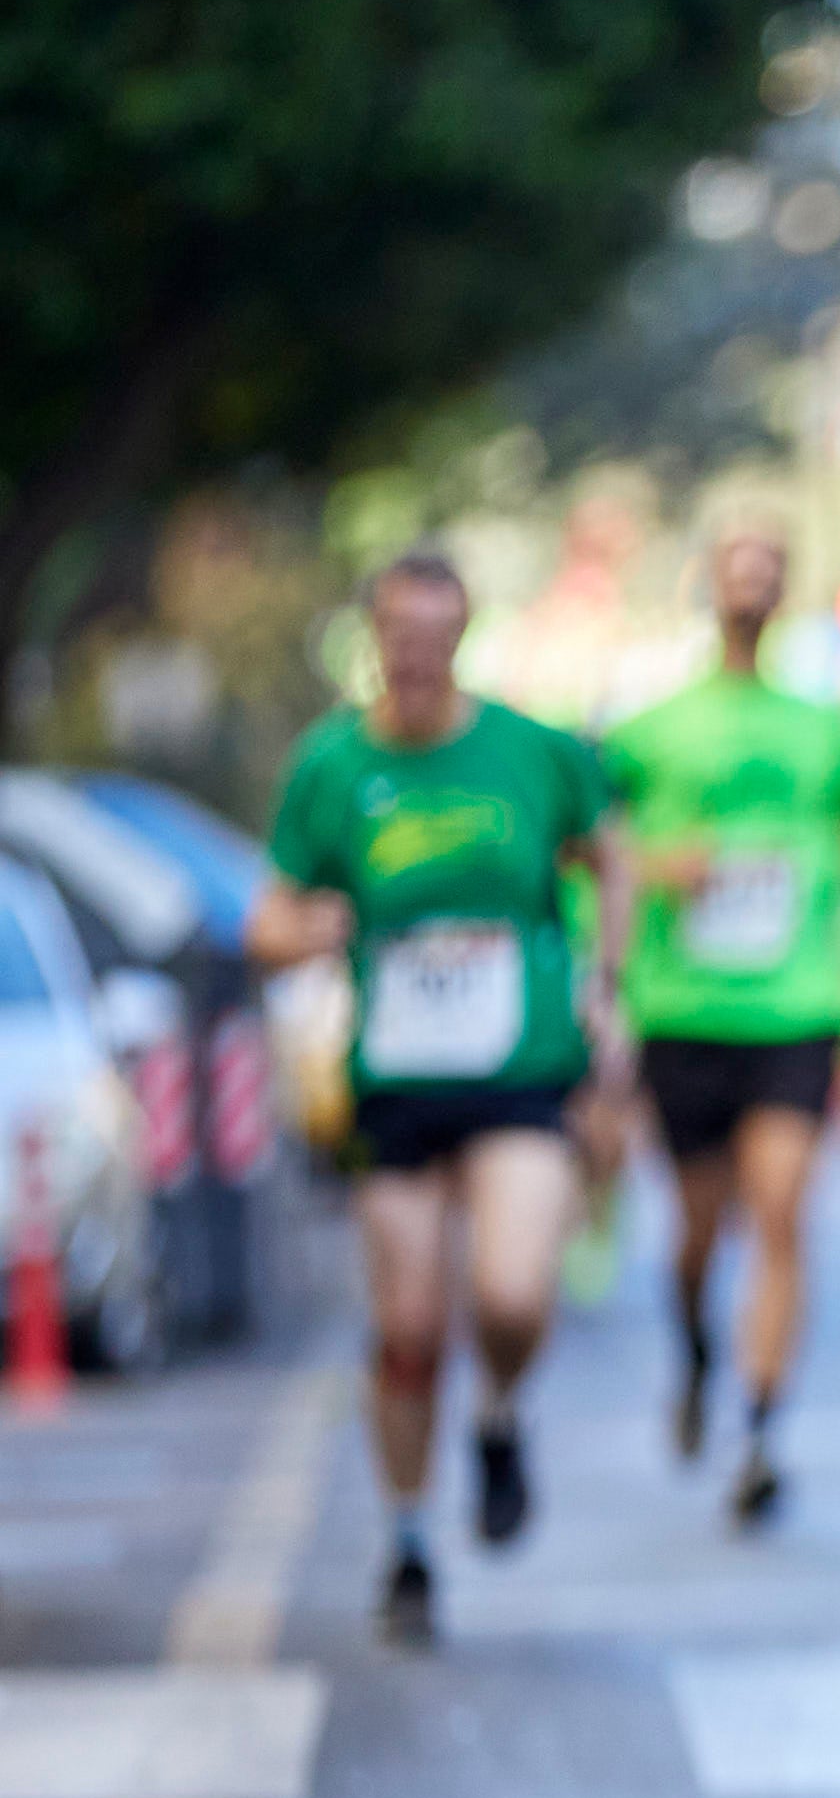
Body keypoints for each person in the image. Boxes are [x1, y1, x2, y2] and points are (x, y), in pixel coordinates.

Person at [251, 553, 619, 1643]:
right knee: (407, 1324)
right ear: (374, 639)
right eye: (397, 639)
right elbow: (266, 920)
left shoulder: (529, 750)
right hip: (398, 1083)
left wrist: (609, 986)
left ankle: (500, 1418)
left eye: (435, 638)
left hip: (520, 1069)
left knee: (510, 1295)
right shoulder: (332, 766)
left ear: (460, 638)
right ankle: (409, 1541)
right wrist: (309, 929)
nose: (415, 659)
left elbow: (612, 852)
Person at [604, 532, 840, 1527]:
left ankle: (762, 1427)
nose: (752, 588)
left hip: (796, 1006)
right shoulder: (648, 730)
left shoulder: (824, 727)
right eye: (737, 571)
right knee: (696, 1232)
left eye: (771, 571)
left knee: (780, 1215)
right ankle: (693, 1348)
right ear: (706, 588)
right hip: (683, 1010)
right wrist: (653, 868)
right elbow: (598, 856)